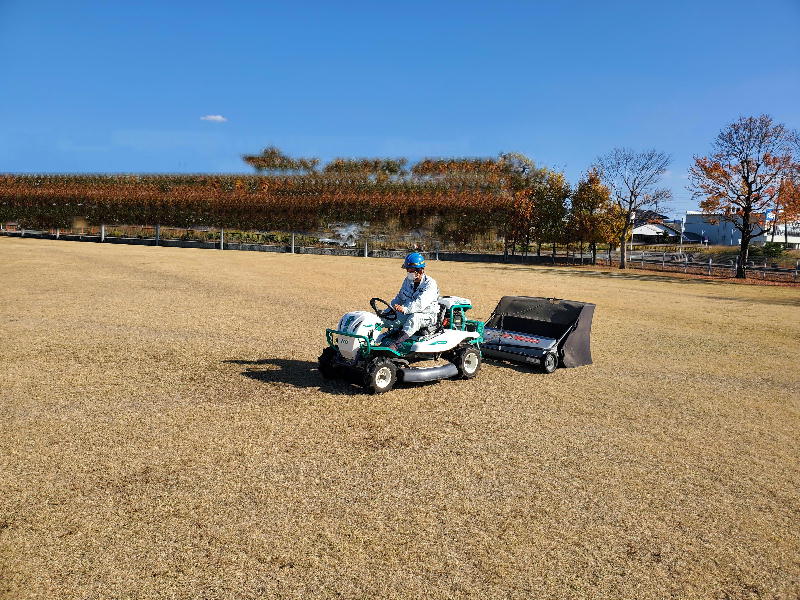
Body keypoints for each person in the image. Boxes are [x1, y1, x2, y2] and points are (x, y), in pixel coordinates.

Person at [383, 252, 440, 350]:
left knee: (414, 319)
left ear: (420, 270)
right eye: (407, 270)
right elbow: (400, 297)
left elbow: (420, 304)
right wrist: (389, 309)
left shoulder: (430, 284)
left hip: (427, 314)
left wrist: (405, 309)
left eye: (411, 270)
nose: (408, 272)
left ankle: (395, 345)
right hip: (408, 311)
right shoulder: (407, 281)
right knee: (389, 317)